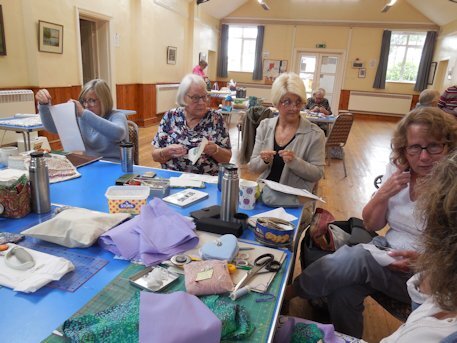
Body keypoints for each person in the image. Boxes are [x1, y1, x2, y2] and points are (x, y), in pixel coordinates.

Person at [284, 107, 457, 338]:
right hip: (388, 253)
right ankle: (350, 340)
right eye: (415, 147)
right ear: (404, 148)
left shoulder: (451, 185)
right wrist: (384, 193)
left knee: (359, 256)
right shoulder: (400, 169)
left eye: (434, 146)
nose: (423, 156)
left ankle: (292, 291)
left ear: (449, 145)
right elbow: (370, 223)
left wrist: (424, 261)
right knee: (343, 292)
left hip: (428, 276)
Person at [381, 149, 457, 342]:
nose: (424, 157)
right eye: (415, 147)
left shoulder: (428, 336)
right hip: (426, 277)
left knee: (356, 261)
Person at [248, 72, 325, 193]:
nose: (294, 108)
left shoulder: (315, 134)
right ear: (276, 103)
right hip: (264, 194)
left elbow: (317, 174)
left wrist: (295, 162)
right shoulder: (264, 126)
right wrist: (264, 161)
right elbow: (253, 167)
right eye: (287, 102)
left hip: (295, 201)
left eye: (298, 102)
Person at [151, 73, 231, 175]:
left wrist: (216, 150)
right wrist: (166, 152)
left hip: (206, 181)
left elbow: (227, 159)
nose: (202, 102)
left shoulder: (216, 119)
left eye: (204, 97)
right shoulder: (171, 116)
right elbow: (155, 156)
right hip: (173, 178)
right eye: (196, 98)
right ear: (183, 98)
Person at [36, 79, 128, 162]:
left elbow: (118, 133)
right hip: (91, 164)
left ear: (104, 100)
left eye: (92, 100)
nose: (87, 105)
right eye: (84, 101)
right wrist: (44, 105)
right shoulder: (82, 119)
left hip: (116, 166)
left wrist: (84, 113)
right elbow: (52, 127)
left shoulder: (117, 116)